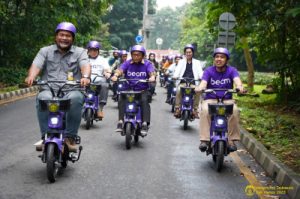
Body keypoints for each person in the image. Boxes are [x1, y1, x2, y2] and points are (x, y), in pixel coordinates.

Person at [25, 22, 91, 152]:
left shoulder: (80, 52)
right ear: (56, 36)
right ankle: (45, 135)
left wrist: (86, 76)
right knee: (42, 98)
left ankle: (70, 137)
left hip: (71, 89)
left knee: (76, 98)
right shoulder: (45, 51)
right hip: (49, 89)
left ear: (72, 38)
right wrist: (31, 76)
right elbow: (36, 64)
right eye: (61, 35)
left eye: (68, 36)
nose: (64, 38)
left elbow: (85, 65)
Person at [195, 47, 245, 152]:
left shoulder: (232, 70)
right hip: (211, 100)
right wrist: (200, 88)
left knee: (235, 111)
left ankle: (231, 140)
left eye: (222, 57)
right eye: (217, 57)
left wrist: (240, 87)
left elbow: (237, 81)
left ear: (226, 60)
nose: (219, 59)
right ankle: (204, 140)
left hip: (227, 100)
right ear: (214, 59)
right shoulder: (208, 71)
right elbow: (203, 83)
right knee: (204, 110)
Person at [111, 45, 156, 136]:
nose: (135, 56)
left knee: (144, 101)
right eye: (134, 54)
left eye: (138, 55)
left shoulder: (147, 64)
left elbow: (151, 72)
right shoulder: (127, 63)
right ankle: (120, 121)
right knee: (121, 98)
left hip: (142, 90)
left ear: (142, 55)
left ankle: (144, 123)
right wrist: (115, 75)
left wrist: (152, 77)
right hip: (128, 89)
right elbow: (120, 70)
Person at [173, 44, 205, 118]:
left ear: (192, 53)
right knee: (178, 90)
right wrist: (175, 76)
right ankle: (177, 108)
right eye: (187, 52)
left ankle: (195, 110)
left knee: (198, 91)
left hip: (193, 83)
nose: (188, 54)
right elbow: (177, 71)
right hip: (183, 82)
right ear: (185, 53)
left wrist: (201, 77)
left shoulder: (197, 62)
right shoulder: (181, 62)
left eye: (190, 52)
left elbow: (200, 72)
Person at [87, 40, 111, 119]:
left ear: (98, 51)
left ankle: (100, 108)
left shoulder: (103, 60)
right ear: (88, 51)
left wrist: (107, 73)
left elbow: (107, 69)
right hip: (86, 81)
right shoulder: (84, 59)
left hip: (99, 81)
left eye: (95, 50)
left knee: (105, 85)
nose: (93, 52)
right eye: (91, 50)